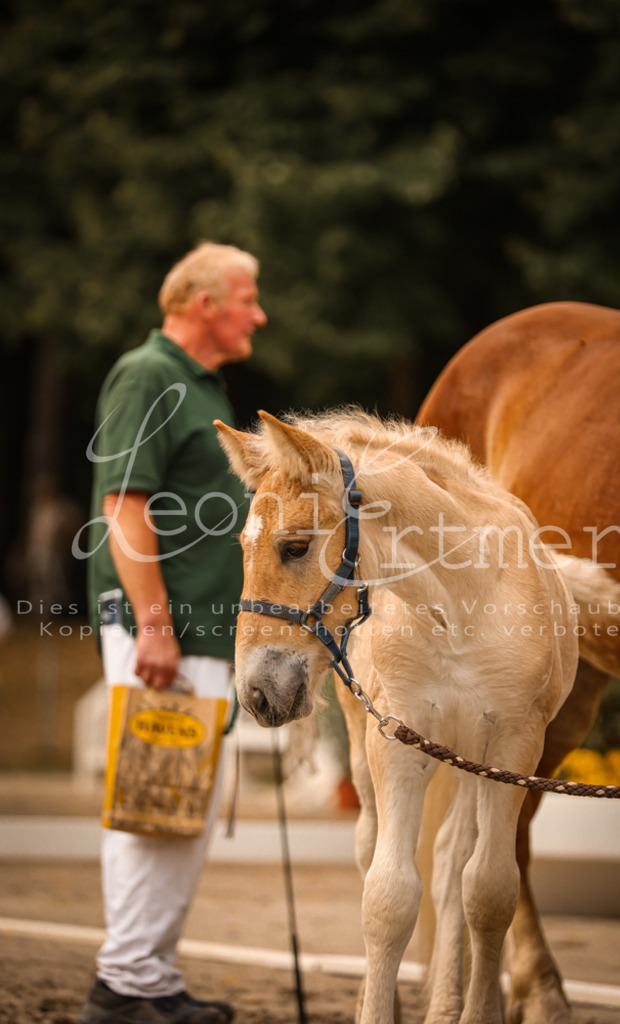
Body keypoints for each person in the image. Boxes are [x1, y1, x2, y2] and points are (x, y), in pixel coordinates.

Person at [80, 242, 267, 1024]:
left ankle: (147, 979)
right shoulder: (147, 374)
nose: (259, 313)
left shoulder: (200, 384)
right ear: (204, 305)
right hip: (165, 636)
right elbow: (124, 507)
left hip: (200, 638)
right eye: (248, 297)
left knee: (181, 806)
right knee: (155, 804)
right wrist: (152, 626)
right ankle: (126, 984)